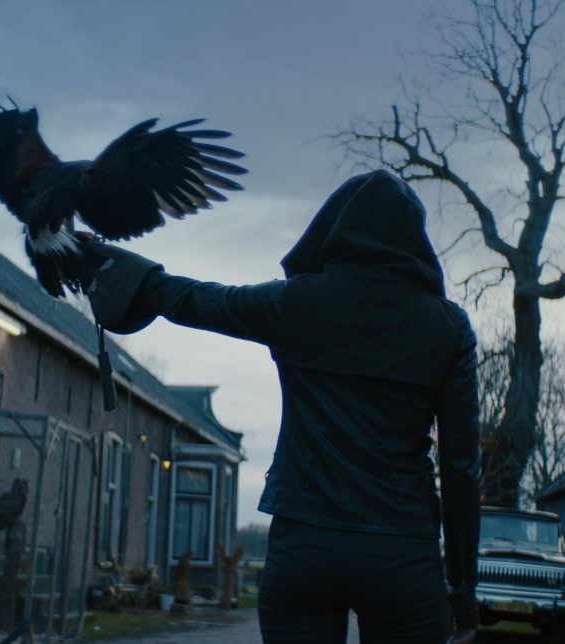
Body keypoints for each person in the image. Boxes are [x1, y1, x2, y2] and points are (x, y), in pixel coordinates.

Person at [82, 170, 481, 643]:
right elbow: (459, 469)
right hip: (400, 551)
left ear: (336, 229)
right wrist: (462, 584)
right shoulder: (449, 328)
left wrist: (104, 263)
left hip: (305, 547)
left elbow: (198, 300)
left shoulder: (296, 303)